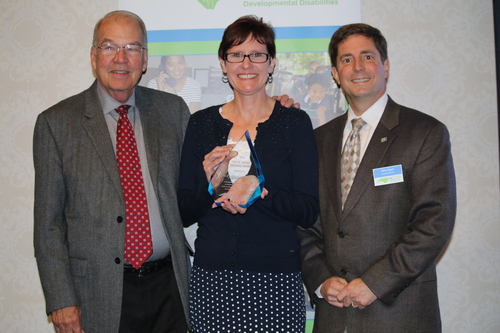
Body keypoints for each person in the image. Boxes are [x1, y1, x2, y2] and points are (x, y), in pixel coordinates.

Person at [33, 10, 191, 332]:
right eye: (109, 47)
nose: (121, 58)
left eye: (132, 48)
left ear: (144, 60)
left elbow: (200, 183)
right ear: (94, 56)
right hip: (98, 294)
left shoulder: (173, 111)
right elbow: (48, 225)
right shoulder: (56, 123)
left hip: (169, 288)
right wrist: (61, 300)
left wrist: (270, 107)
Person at [297, 23, 456, 333]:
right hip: (333, 315)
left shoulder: (424, 133)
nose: (357, 67)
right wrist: (320, 278)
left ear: (385, 66)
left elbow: (433, 222)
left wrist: (374, 283)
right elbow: (306, 223)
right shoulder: (317, 141)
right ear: (334, 73)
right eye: (346, 59)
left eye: (367, 56)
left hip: (398, 314)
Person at [177, 15, 319, 333]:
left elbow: (309, 210)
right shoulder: (201, 124)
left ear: (272, 63)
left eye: (257, 54)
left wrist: (261, 193)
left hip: (277, 278)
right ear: (223, 64)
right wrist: (210, 187)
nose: (246, 63)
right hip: (212, 279)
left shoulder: (294, 123)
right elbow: (184, 210)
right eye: (236, 54)